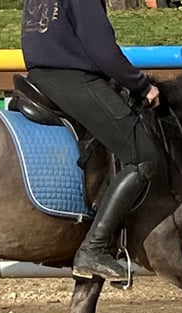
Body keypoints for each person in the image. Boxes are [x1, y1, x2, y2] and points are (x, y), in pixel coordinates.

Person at [21, 0, 162, 281]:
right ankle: (94, 249)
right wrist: (141, 85)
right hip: (71, 78)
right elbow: (102, 49)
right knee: (144, 156)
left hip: (39, 74)